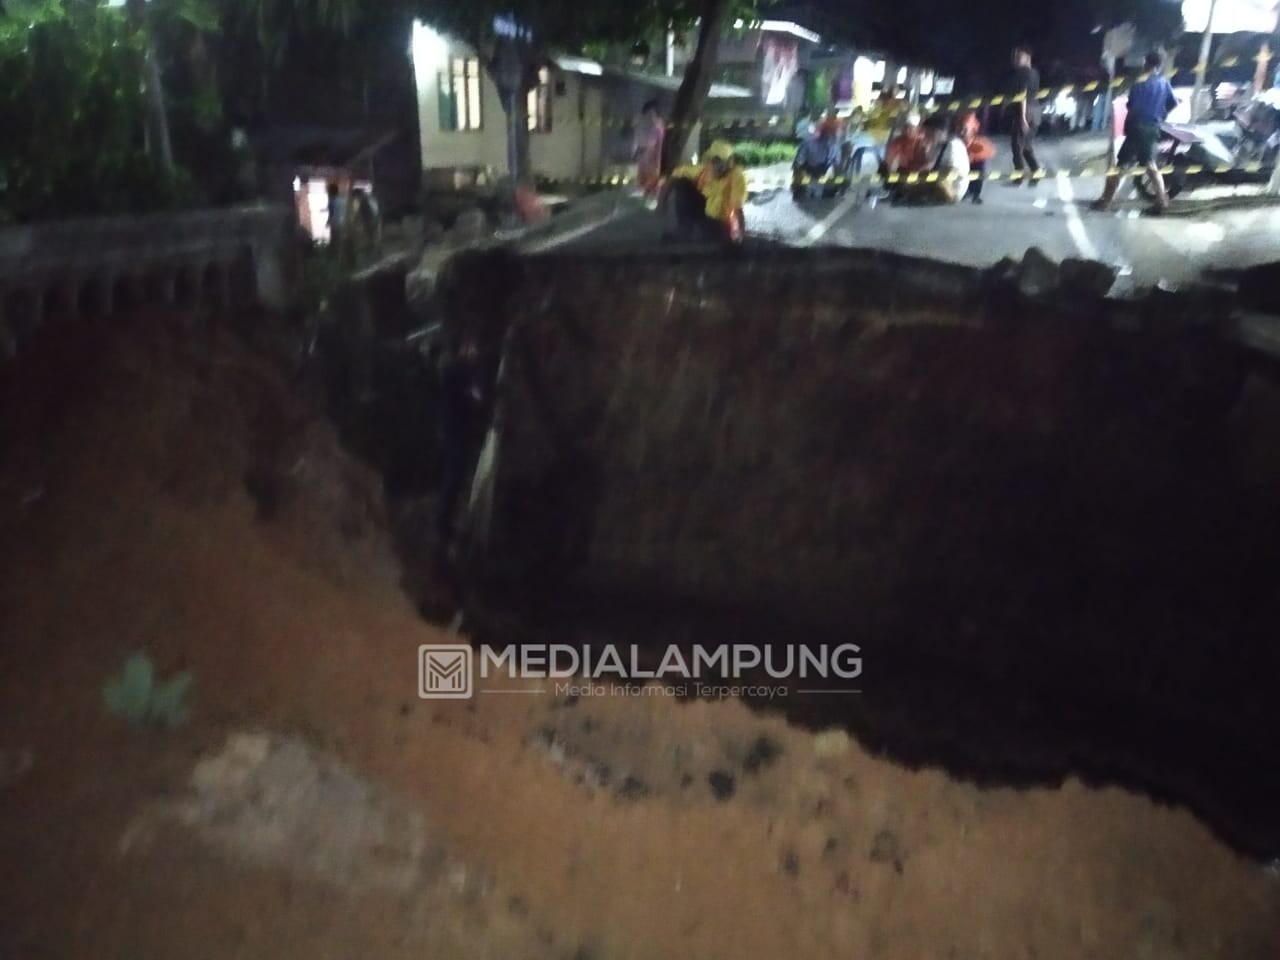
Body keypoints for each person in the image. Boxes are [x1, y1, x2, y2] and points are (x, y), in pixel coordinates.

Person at [1091, 51, 1177, 214]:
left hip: (1137, 128)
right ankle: (1162, 201)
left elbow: (1131, 106)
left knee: (1121, 166)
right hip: (1153, 127)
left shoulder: (1140, 82)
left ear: (1147, 63)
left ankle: (1106, 202)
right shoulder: (1164, 82)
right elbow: (1172, 103)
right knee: (1151, 166)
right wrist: (1162, 114)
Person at [663, 140, 747, 243]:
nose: (717, 166)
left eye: (720, 161)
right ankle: (684, 231)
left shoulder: (737, 177)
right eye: (714, 161)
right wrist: (662, 202)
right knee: (682, 183)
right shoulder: (704, 171)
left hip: (722, 221)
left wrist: (738, 234)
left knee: (720, 242)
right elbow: (675, 174)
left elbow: (737, 209)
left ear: (729, 162)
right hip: (705, 215)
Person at [1008, 46, 1043, 186]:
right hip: (1036, 112)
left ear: (1027, 58)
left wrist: (1022, 118)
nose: (1015, 60)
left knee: (1016, 145)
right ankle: (1036, 171)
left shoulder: (1024, 73)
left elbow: (1023, 96)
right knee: (1026, 146)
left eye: (1018, 57)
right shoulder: (1035, 73)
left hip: (1026, 113)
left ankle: (1019, 176)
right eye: (1014, 57)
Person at [793, 118, 841, 196]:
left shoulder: (835, 145)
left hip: (825, 173)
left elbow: (836, 162)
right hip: (809, 170)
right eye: (835, 132)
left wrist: (832, 169)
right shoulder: (809, 142)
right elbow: (799, 162)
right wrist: (802, 176)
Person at [958, 111, 996, 204]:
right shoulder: (962, 122)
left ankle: (975, 194)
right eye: (961, 130)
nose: (962, 132)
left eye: (964, 130)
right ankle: (968, 192)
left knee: (979, 169)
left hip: (973, 150)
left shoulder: (979, 143)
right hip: (965, 149)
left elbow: (987, 152)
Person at [632, 100, 665, 205]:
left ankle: (649, 193)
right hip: (645, 157)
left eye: (652, 113)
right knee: (645, 176)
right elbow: (635, 139)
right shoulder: (641, 121)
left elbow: (659, 146)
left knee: (647, 177)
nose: (650, 115)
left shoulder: (657, 124)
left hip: (649, 157)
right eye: (649, 112)